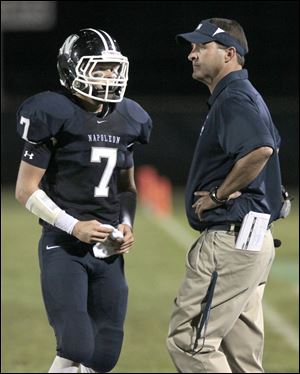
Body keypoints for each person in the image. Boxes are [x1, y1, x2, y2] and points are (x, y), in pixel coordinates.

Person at [15, 28, 152, 373]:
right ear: (71, 68)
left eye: (112, 68)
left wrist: (127, 224)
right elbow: (25, 189)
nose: (109, 76)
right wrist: (73, 226)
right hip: (63, 244)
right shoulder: (54, 112)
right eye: (99, 67)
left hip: (108, 248)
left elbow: (126, 187)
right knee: (75, 344)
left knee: (104, 356)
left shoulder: (129, 117)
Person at [166, 18, 286, 373]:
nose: (192, 54)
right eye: (192, 47)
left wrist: (218, 195)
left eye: (202, 47)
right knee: (240, 358)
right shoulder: (245, 96)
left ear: (230, 54)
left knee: (191, 343)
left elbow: (260, 150)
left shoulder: (233, 97)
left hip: (232, 240)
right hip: (252, 238)